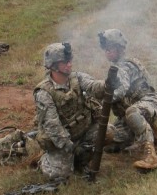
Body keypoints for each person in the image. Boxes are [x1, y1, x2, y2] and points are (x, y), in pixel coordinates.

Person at [33, 42, 109, 181]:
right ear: (53, 66)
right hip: (63, 140)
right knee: (60, 175)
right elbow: (53, 127)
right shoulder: (44, 93)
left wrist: (107, 84)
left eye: (70, 60)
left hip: (84, 130)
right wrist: (71, 147)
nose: (69, 64)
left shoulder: (77, 78)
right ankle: (45, 161)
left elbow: (93, 86)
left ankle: (80, 159)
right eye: (64, 62)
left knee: (109, 133)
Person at [98, 29, 157, 171]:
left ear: (120, 48)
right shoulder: (115, 67)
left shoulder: (125, 66)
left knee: (133, 112)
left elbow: (122, 88)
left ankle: (151, 156)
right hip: (129, 114)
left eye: (110, 48)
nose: (107, 52)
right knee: (110, 138)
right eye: (105, 49)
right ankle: (149, 132)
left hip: (148, 103)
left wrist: (104, 99)